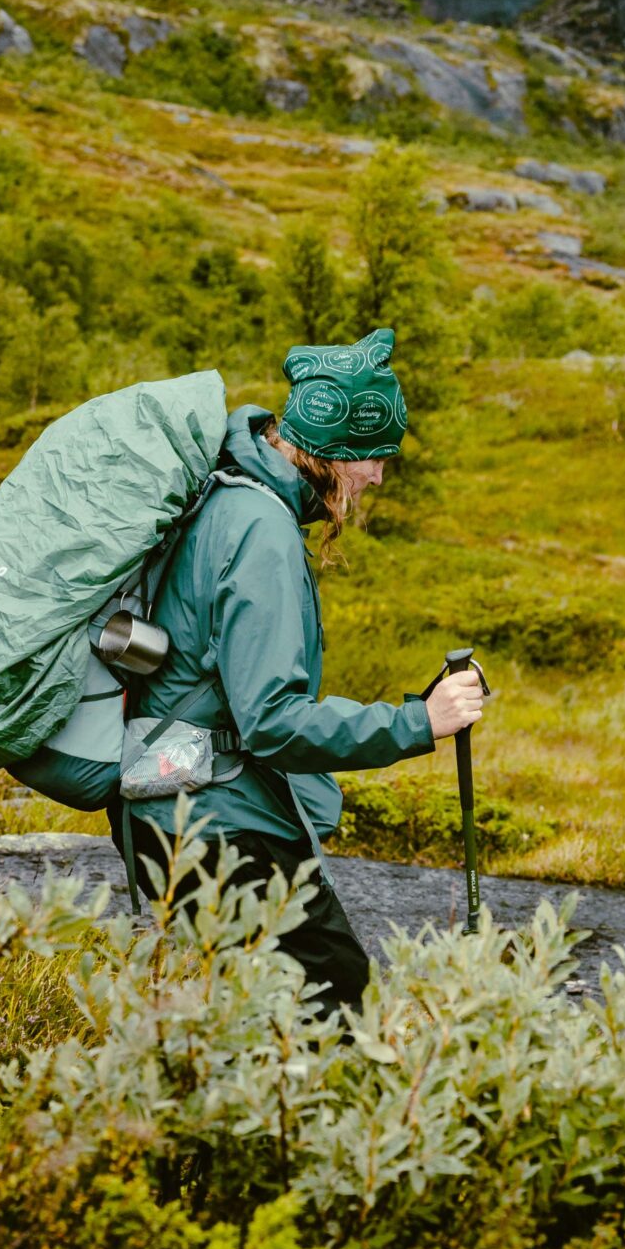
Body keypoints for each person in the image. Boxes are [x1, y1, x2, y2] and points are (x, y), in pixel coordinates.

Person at [112, 325, 484, 1010]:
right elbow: (272, 723)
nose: (376, 475)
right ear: (333, 448)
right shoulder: (262, 534)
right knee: (334, 999)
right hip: (217, 821)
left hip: (170, 809)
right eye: (372, 457)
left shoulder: (227, 500)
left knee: (238, 1015)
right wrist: (417, 722)